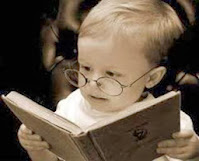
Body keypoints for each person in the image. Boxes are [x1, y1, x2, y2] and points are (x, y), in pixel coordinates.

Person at [17, 0, 199, 161]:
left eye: (111, 74)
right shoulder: (70, 107)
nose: (92, 82)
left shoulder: (167, 122)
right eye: (86, 68)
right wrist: (36, 147)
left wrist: (192, 154)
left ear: (151, 78)